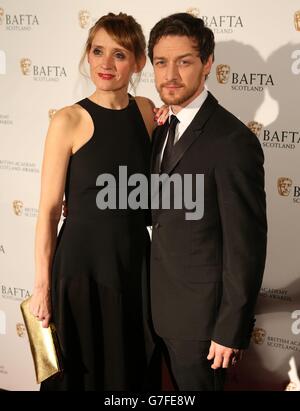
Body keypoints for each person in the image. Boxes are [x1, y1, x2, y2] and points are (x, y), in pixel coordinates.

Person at [29, 12, 162, 391]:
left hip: (134, 263)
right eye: (98, 50)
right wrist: (42, 287)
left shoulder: (146, 111)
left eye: (119, 54)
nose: (105, 64)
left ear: (138, 62)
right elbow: (50, 211)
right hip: (81, 267)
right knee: (83, 372)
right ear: (87, 54)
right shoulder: (67, 120)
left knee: (129, 369)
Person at [148, 13, 267, 391]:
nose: (170, 74)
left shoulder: (233, 142)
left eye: (183, 61)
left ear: (207, 64)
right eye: (161, 62)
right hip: (160, 313)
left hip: (203, 326)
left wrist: (230, 330)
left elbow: (245, 246)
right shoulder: (162, 127)